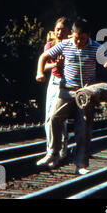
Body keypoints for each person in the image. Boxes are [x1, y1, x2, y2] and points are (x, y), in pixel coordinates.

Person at [35, 18, 107, 174]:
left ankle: (81, 164)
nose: (79, 42)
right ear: (72, 34)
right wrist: (39, 72)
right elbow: (43, 57)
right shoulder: (64, 44)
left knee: (83, 127)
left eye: (82, 39)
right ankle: (52, 152)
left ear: (89, 35)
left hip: (85, 92)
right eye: (76, 38)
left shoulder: (96, 47)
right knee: (53, 117)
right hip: (66, 89)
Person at [43, 17, 71, 159]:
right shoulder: (50, 45)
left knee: (59, 118)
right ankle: (51, 150)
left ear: (68, 31)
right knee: (48, 117)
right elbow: (44, 65)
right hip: (53, 81)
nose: (59, 32)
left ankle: (62, 149)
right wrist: (55, 65)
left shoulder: (71, 46)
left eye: (62, 30)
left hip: (66, 83)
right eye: (57, 29)